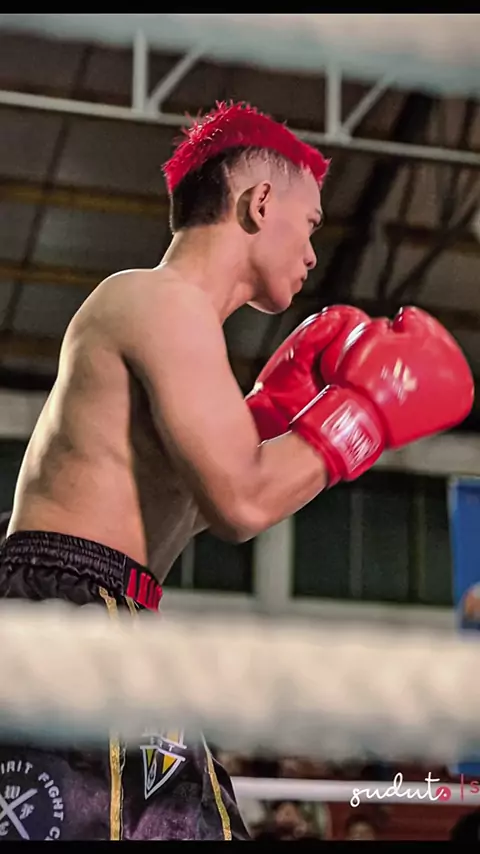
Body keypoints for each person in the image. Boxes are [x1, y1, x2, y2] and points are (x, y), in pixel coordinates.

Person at [0, 100, 474, 841]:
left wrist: (274, 416)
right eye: (310, 223)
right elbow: (243, 503)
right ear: (260, 202)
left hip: (110, 608)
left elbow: (195, 511)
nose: (313, 253)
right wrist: (364, 412)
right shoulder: (157, 302)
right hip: (67, 607)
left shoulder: (181, 328)